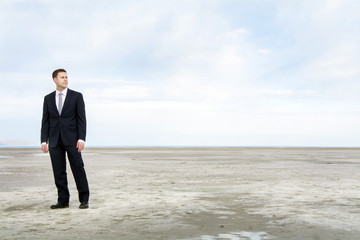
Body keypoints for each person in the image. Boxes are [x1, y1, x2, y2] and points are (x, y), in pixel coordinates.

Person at [41, 69, 90, 209]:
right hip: (55, 140)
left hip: (73, 139)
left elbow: (82, 119)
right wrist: (44, 140)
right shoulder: (48, 98)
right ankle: (63, 200)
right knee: (58, 171)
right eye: (62, 77)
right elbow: (45, 120)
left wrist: (81, 138)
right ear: (55, 80)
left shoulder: (77, 96)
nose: (65, 79)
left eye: (66, 77)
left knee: (78, 168)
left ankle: (84, 199)